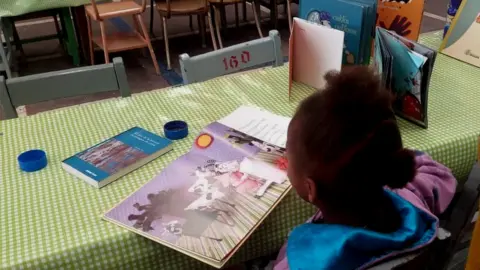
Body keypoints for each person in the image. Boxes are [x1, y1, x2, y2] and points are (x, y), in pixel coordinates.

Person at [274, 67, 457, 270]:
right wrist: (383, 153)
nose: (285, 156)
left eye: (287, 152)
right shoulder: (411, 197)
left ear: (311, 189)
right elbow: (438, 174)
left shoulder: (299, 263)